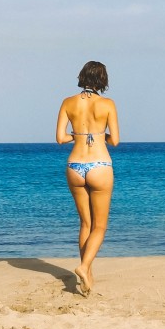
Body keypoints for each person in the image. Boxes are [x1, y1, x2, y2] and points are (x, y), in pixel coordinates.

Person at [56, 60, 119, 296]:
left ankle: (87, 277)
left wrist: (78, 136)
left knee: (85, 224)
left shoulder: (67, 102)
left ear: (82, 76)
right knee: (100, 226)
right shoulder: (107, 104)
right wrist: (99, 135)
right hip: (100, 165)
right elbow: (115, 141)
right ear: (103, 80)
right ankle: (83, 267)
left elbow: (60, 138)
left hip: (75, 165)